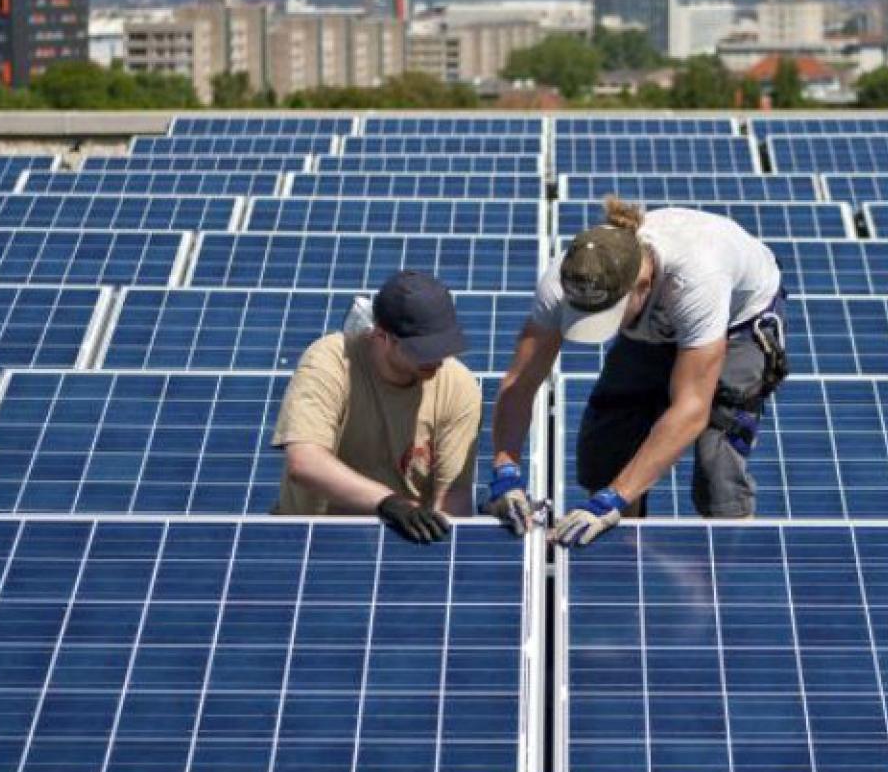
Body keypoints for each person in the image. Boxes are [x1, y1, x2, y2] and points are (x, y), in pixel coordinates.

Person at [485, 196, 788, 546]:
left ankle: (730, 568)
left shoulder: (697, 281)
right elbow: (521, 381)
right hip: (655, 322)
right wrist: (505, 470)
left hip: (737, 324)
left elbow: (691, 409)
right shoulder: (567, 278)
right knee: (606, 452)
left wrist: (613, 500)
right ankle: (625, 566)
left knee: (716, 468)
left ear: (642, 287)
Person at [274, 270, 482, 544]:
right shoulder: (332, 360)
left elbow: (452, 495)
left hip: (403, 541)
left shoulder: (459, 386)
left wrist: (446, 557)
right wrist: (386, 502)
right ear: (381, 336)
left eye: (443, 346)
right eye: (423, 348)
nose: (437, 358)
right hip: (313, 540)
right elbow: (304, 461)